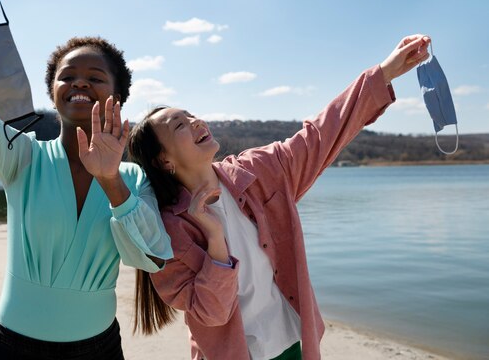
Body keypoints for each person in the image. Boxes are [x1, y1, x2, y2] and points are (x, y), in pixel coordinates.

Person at [127, 34, 431, 360]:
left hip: (293, 346)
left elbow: (320, 134)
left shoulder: (260, 171)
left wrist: (383, 74)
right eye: (179, 125)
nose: (195, 121)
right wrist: (215, 239)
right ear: (164, 161)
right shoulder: (169, 230)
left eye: (190, 115)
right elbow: (211, 314)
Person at [0, 0, 172, 360]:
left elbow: (152, 256)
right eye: (67, 75)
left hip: (99, 349)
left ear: (118, 96)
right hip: (13, 347)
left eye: (95, 76)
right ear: (53, 92)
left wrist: (110, 181)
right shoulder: (21, 155)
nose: (79, 82)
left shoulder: (132, 177)